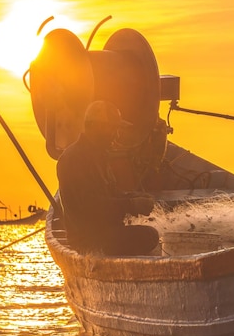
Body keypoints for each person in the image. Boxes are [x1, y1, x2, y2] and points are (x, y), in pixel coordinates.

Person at [56, 100, 159, 255]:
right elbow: (89, 206)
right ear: (97, 128)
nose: (116, 135)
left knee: (149, 234)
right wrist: (130, 205)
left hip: (104, 233)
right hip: (89, 239)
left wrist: (134, 197)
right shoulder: (74, 159)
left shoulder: (97, 156)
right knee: (149, 236)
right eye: (113, 129)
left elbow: (110, 194)